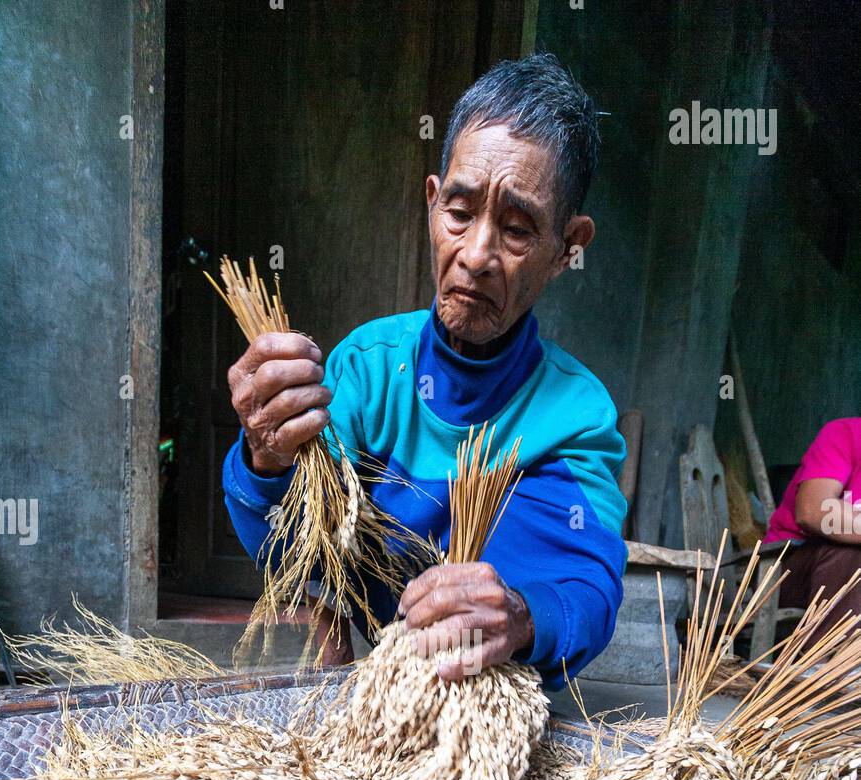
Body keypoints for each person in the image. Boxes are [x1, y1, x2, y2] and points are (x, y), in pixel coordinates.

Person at [222, 53, 627, 688]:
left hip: (499, 707)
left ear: (567, 249)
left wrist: (522, 616)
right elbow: (292, 549)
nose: (476, 255)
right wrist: (263, 457)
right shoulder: (367, 371)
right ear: (433, 203)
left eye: (518, 229)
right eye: (460, 213)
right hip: (383, 691)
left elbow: (587, 589)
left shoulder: (575, 417)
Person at [764, 417, 861, 638]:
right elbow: (812, 510)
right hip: (785, 572)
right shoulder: (846, 433)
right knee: (852, 549)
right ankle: (831, 662)